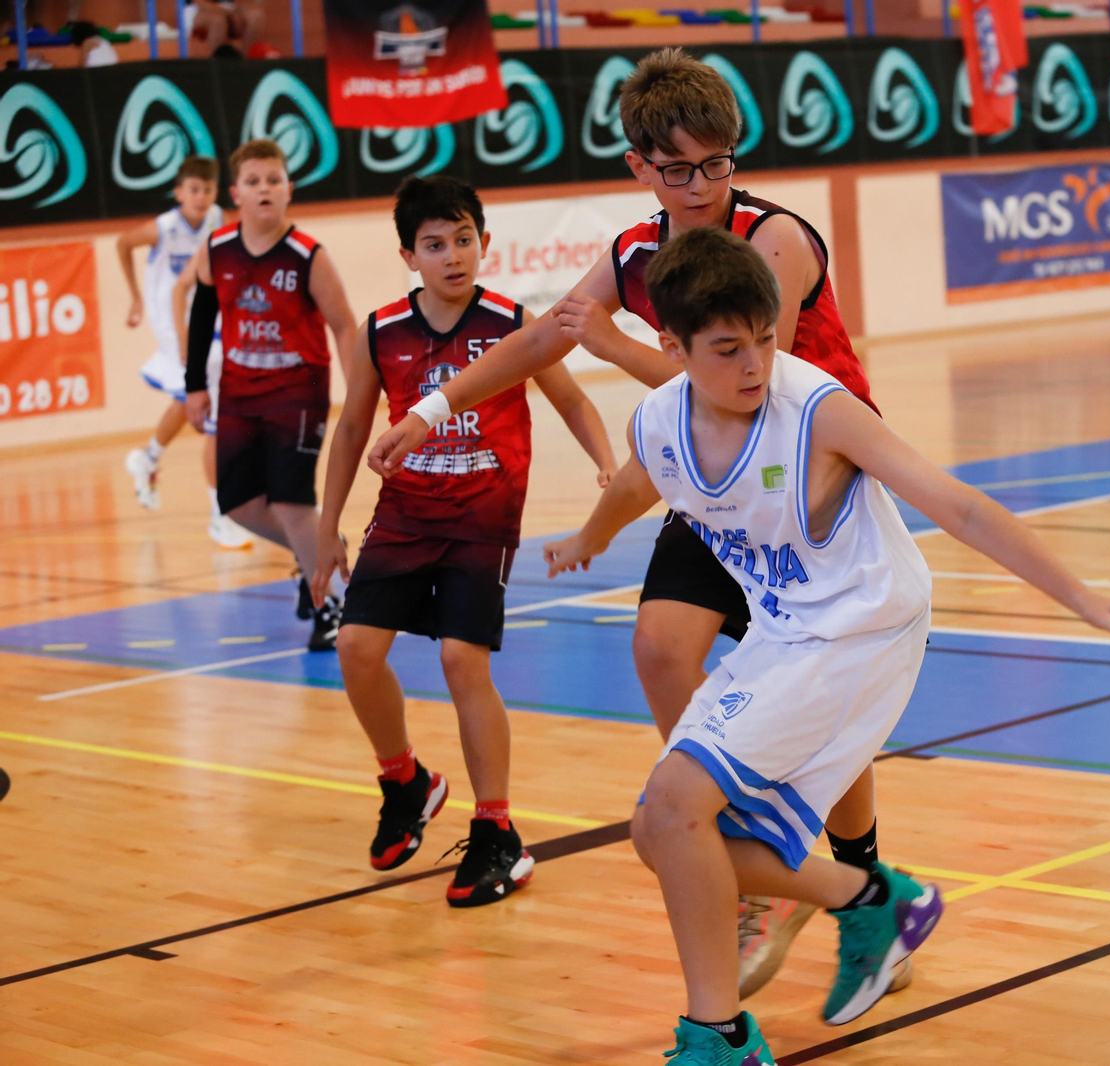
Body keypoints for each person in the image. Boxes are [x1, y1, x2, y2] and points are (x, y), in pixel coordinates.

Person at [521, 228, 1110, 1063]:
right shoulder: (660, 418)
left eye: (764, 338)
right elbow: (637, 478)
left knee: (680, 802)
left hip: (868, 626)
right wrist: (586, 535)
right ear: (672, 348)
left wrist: (1086, 599)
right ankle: (870, 897)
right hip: (789, 631)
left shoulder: (818, 410)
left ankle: (719, 1037)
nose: (755, 363)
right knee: (660, 832)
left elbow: (960, 507)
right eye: (727, 349)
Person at [367, 46, 887, 996]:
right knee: (658, 646)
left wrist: (605, 341)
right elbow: (536, 338)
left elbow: (734, 389)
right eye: (680, 167)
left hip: (817, 484)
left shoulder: (775, 243)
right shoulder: (637, 250)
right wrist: (427, 412)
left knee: (823, 694)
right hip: (726, 481)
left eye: (719, 162)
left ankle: (865, 884)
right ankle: (741, 842)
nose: (702, 184)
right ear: (640, 168)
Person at [310, 176, 615, 905]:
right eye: (435, 245)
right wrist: (325, 530)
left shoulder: (514, 320)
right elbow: (353, 428)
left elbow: (572, 399)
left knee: (460, 659)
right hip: (405, 512)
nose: (452, 255)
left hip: (484, 513)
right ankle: (405, 780)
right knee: (355, 648)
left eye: (464, 239)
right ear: (409, 256)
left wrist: (608, 464)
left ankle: (496, 827)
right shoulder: (380, 330)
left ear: (485, 241)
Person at [185, 138, 358, 651]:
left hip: (297, 391)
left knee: (291, 498)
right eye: (254, 182)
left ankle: (335, 603)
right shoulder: (218, 249)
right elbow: (201, 319)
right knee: (236, 503)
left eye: (273, 181)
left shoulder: (308, 255)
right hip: (238, 390)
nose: (264, 189)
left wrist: (359, 392)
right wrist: (195, 385)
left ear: (289, 190)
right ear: (236, 193)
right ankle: (326, 550)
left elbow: (345, 326)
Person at [116, 155, 252, 549]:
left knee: (192, 401)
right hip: (174, 327)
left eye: (207, 190)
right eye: (193, 189)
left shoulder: (216, 218)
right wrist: (135, 297)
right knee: (211, 414)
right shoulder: (165, 227)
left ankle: (149, 457)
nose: (200, 196)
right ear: (178, 193)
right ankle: (219, 514)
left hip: (206, 325)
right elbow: (122, 243)